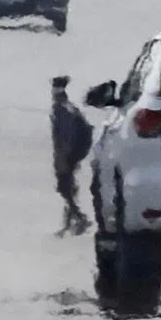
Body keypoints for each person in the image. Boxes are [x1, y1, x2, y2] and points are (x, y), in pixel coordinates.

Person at [49, 76, 93, 237]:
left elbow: (66, 135)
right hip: (75, 151)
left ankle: (79, 218)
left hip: (68, 152)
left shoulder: (61, 109)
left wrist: (63, 157)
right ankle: (70, 221)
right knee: (67, 184)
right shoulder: (69, 107)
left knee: (65, 185)